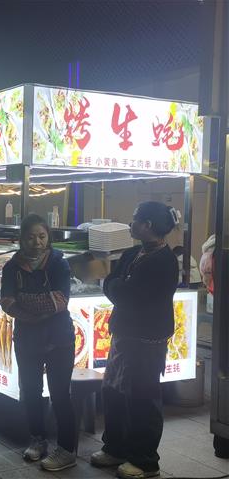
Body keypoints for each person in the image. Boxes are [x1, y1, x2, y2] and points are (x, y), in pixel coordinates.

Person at [90, 201, 179, 479]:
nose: (130, 224)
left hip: (147, 341)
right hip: (123, 335)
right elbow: (115, 284)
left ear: (147, 225)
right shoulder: (133, 253)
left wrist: (114, 286)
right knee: (113, 390)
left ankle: (145, 460)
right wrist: (116, 286)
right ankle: (115, 448)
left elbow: (126, 294)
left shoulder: (164, 261)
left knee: (143, 398)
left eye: (134, 219)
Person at [0, 213, 76, 471]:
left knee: (60, 394)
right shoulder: (12, 267)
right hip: (27, 339)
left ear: (48, 238)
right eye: (31, 237)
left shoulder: (59, 264)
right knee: (30, 391)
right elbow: (7, 302)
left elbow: (60, 301)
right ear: (22, 239)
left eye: (42, 236)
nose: (37, 242)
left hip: (59, 338)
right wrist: (37, 307)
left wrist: (26, 303)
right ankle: (37, 439)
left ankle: (67, 449)